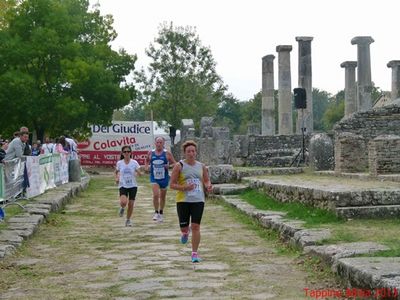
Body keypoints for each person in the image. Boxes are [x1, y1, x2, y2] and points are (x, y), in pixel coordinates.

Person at [170, 140, 212, 263]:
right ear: (184, 153)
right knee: (184, 227)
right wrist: (184, 188)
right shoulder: (179, 166)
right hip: (183, 200)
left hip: (198, 200)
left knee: (196, 226)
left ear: (196, 152)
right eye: (188, 151)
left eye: (193, 151)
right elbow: (171, 185)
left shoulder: (201, 166)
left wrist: (208, 186)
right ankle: (184, 233)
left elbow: (206, 180)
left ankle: (194, 253)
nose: (191, 153)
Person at [145, 137, 176, 222]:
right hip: (154, 177)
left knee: (162, 196)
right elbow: (147, 161)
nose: (159, 144)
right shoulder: (151, 152)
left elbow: (175, 163)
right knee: (155, 195)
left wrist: (168, 166)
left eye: (160, 142)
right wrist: (147, 167)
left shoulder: (167, 154)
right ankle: (156, 212)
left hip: (164, 178)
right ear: (155, 143)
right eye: (157, 142)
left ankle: (161, 213)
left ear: (163, 144)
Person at [115, 145, 142, 227]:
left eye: (128, 151)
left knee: (131, 204)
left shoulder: (134, 162)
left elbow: (140, 173)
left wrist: (138, 173)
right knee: (123, 202)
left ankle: (128, 220)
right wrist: (116, 178)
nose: (127, 153)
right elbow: (116, 172)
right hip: (123, 185)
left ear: (131, 153)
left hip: (133, 185)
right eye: (125, 152)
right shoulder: (120, 163)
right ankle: (122, 208)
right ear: (122, 153)